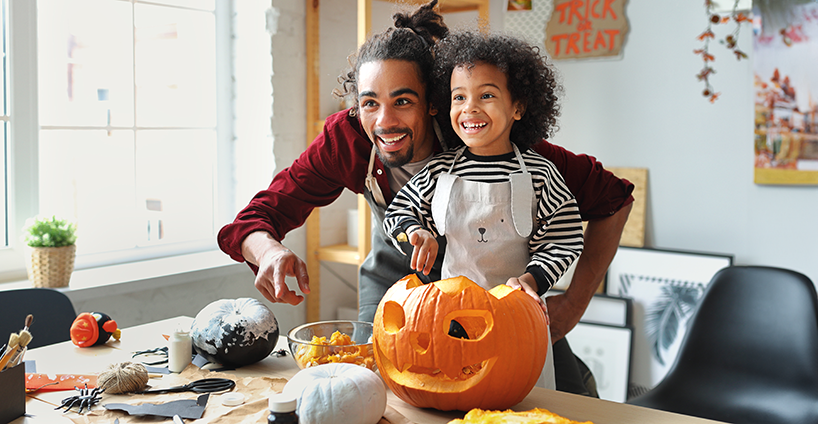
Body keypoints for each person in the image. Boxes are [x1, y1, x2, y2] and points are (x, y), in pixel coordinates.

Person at [217, 0, 634, 396]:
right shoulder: (348, 139)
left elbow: (614, 200)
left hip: (498, 289)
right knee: (372, 386)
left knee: (559, 396)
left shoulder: (490, 139)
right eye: (369, 103)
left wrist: (573, 304)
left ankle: (578, 376)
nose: (384, 121)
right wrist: (269, 251)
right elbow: (252, 221)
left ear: (434, 103)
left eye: (403, 101)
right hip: (396, 280)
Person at [383, 30, 582, 306]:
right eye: (459, 97)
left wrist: (530, 280)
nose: (470, 108)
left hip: (517, 313)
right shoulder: (439, 172)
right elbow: (398, 212)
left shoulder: (540, 174)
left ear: (518, 107)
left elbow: (564, 240)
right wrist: (417, 233)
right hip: (450, 313)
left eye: (486, 95)